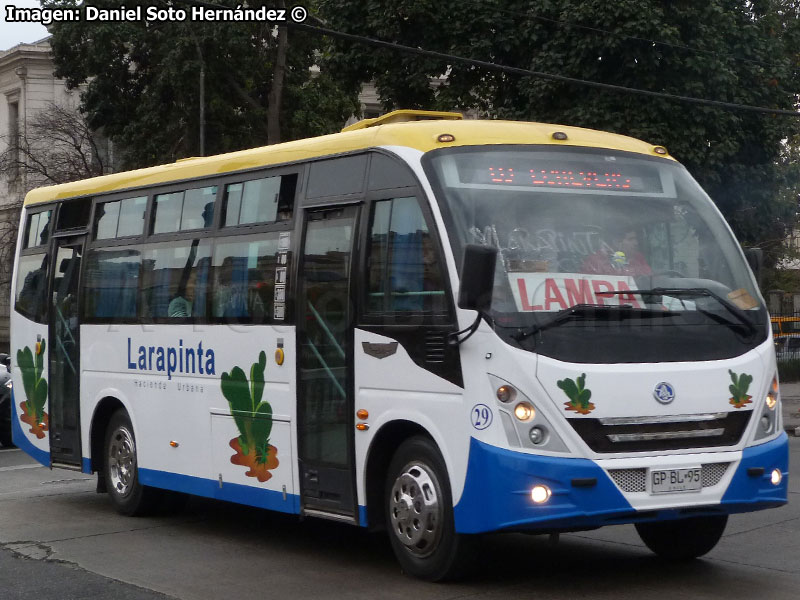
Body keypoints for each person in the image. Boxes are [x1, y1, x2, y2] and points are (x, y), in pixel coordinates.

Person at [582, 227, 652, 276]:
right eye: (630, 239)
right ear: (616, 242)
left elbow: (648, 278)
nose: (636, 243)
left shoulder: (639, 259)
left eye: (635, 239)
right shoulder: (596, 261)